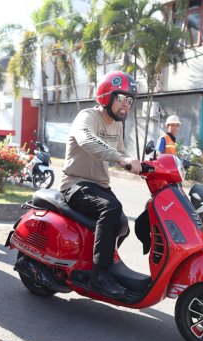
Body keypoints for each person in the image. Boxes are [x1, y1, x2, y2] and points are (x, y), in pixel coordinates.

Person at [60, 70, 142, 299]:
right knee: (111, 209)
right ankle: (100, 274)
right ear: (106, 96)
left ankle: (105, 264)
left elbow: (122, 153)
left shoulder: (117, 125)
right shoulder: (86, 117)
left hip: (98, 187)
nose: (127, 105)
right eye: (122, 98)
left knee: (123, 224)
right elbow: (88, 140)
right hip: (75, 184)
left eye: (130, 100)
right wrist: (121, 159)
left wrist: (143, 167)